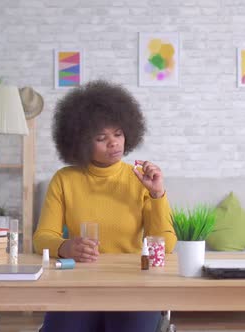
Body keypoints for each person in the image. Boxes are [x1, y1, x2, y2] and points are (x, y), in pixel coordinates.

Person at [34, 80, 177, 332]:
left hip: (133, 285)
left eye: (118, 134)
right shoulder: (64, 180)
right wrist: (65, 246)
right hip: (78, 284)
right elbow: (42, 238)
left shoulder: (140, 179)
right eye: (101, 138)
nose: (113, 143)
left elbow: (167, 243)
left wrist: (157, 194)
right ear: (80, 142)